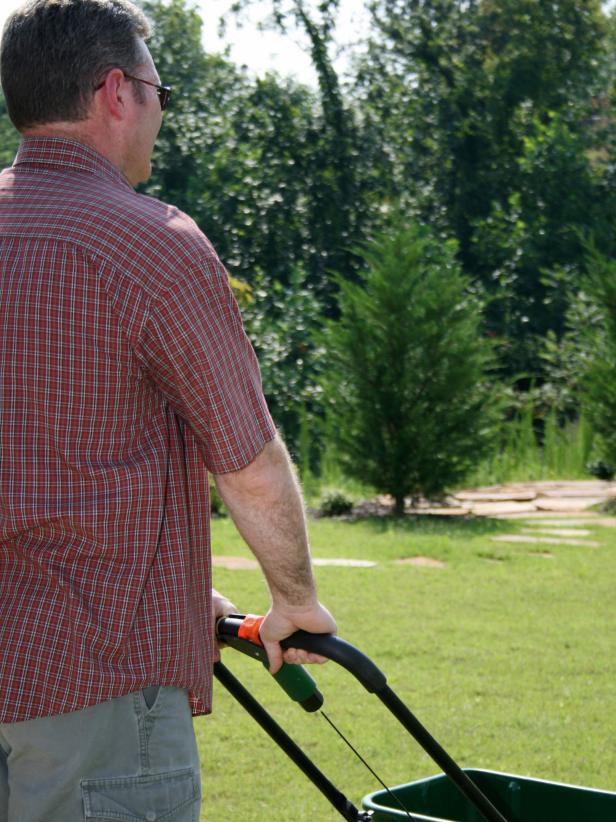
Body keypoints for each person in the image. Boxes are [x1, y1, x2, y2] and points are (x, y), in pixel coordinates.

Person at [0, 1, 336, 820]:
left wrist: (179, 586)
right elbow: (248, 464)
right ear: (116, 92)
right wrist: (293, 600)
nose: (159, 111)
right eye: (160, 89)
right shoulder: (151, 241)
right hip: (92, 679)